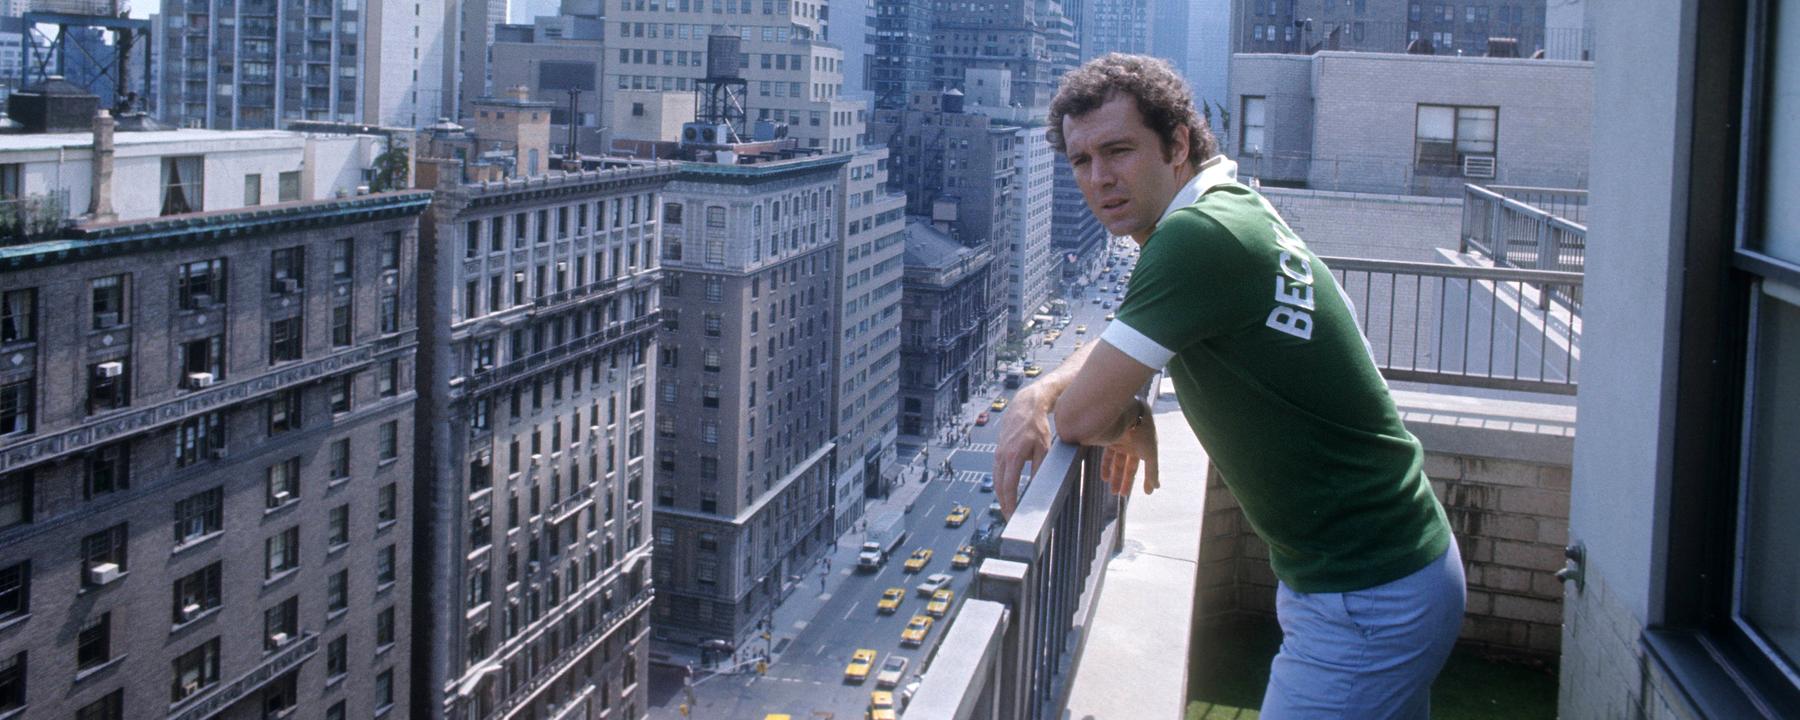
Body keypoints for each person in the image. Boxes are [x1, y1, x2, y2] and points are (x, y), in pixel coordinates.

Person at [991, 53, 1463, 719]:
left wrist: (1101, 412)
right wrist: (1043, 391)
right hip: (1390, 566)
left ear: (1178, 143)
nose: (1099, 178)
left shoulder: (1195, 240)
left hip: (1365, 594)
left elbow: (1079, 419)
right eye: (1081, 160)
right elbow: (1126, 336)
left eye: (1119, 151)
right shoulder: (1228, 207)